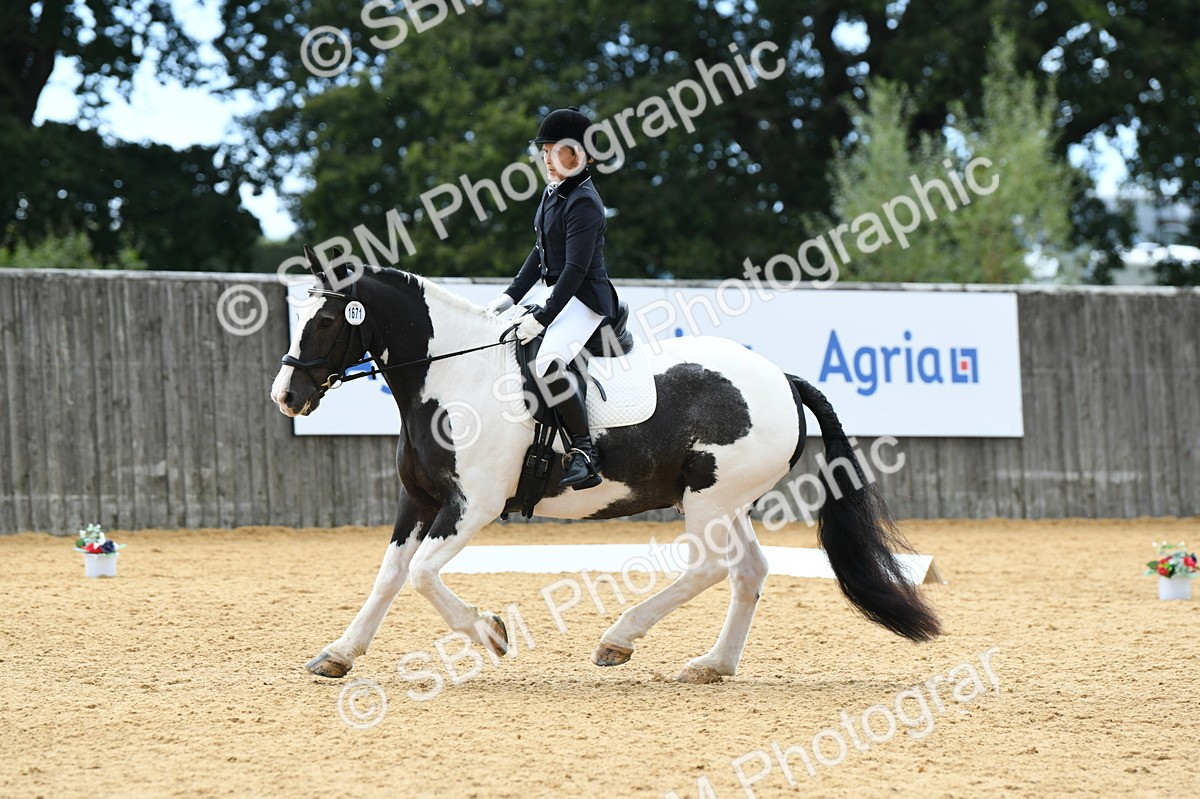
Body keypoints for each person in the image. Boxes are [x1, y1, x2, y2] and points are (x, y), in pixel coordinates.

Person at [484, 107, 619, 491]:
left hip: (586, 297)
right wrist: (510, 297)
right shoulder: (553, 194)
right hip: (558, 291)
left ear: (579, 155)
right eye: (543, 150)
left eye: (554, 150)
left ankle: (583, 452)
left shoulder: (585, 202)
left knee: (546, 362)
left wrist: (542, 318)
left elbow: (575, 270)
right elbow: (538, 253)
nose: (545, 157)